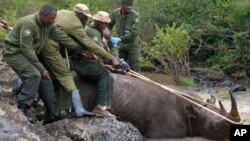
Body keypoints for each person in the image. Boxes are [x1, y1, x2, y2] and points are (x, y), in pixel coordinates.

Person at [1, 4, 79, 123]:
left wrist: (79, 48)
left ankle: (52, 115)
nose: (54, 21)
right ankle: (23, 107)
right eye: (52, 18)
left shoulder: (48, 25)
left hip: (27, 54)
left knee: (46, 80)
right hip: (14, 53)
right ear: (43, 15)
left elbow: (61, 37)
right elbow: (27, 50)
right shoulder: (29, 23)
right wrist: (41, 69)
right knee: (35, 74)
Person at [40, 4, 119, 118]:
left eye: (106, 23)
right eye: (85, 17)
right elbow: (90, 45)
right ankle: (101, 107)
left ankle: (63, 108)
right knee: (103, 75)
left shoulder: (63, 12)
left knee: (63, 75)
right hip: (69, 55)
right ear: (80, 16)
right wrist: (110, 58)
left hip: (67, 52)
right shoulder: (79, 26)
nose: (104, 25)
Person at [108, 0, 141, 72]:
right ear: (122, 5)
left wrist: (120, 39)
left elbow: (134, 32)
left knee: (135, 65)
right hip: (121, 45)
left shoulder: (135, 15)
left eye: (130, 6)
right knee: (121, 65)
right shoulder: (115, 13)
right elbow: (108, 25)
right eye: (127, 5)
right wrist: (107, 35)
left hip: (133, 45)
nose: (129, 7)